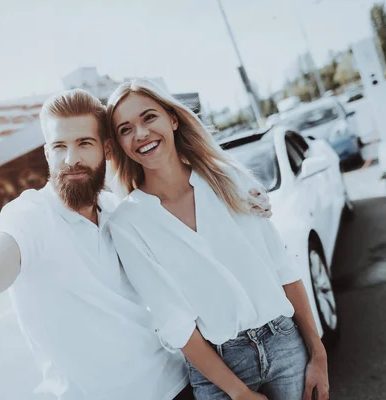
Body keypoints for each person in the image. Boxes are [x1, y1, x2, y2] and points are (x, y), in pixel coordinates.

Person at [0, 82, 271, 399]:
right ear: (46, 152)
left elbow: (194, 237)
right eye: (58, 147)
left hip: (181, 386)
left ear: (106, 148)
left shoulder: (118, 209)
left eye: (83, 144)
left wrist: (240, 199)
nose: (70, 160)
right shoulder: (29, 218)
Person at [104, 79, 330, 400]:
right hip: (218, 369)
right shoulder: (128, 222)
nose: (140, 133)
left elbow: (283, 269)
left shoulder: (228, 179)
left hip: (285, 344)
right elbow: (175, 323)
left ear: (173, 118)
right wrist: (238, 393)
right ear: (120, 143)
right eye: (125, 128)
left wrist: (318, 354)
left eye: (148, 117)